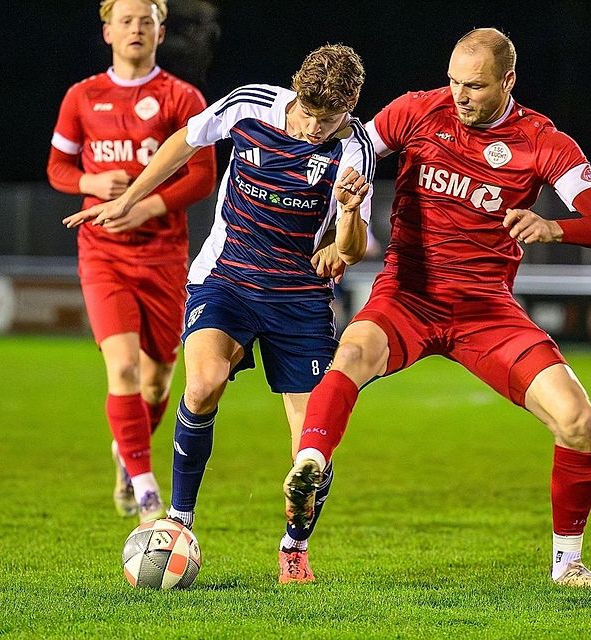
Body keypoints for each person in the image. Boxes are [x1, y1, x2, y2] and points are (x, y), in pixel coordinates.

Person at [283, 28, 591, 590]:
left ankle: (568, 566)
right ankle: (310, 465)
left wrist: (554, 226)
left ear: (508, 82)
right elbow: (355, 147)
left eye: (474, 86)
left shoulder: (542, 141)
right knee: (349, 353)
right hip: (409, 294)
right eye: (453, 81)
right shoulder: (419, 111)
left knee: (578, 421)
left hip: (485, 311)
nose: (460, 96)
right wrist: (352, 196)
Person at [63, 44, 374, 583]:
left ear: (349, 110)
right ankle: (179, 519)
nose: (315, 132)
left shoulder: (356, 147)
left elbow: (352, 249)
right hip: (225, 279)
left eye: (330, 122)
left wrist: (346, 216)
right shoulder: (252, 106)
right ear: (296, 93)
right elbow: (184, 142)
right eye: (310, 118)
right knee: (202, 384)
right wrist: (129, 199)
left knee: (311, 443)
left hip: (299, 298)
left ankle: (294, 548)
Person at [47, 0, 218, 522]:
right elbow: (58, 167)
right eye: (126, 21)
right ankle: (145, 491)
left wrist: (144, 204)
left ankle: (128, 454)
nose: (136, 29)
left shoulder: (182, 97)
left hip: (164, 254)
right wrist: (90, 183)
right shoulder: (82, 96)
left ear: (161, 32)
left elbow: (202, 176)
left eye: (146, 21)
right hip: (104, 254)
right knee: (120, 367)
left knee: (158, 380)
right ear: (107, 32)